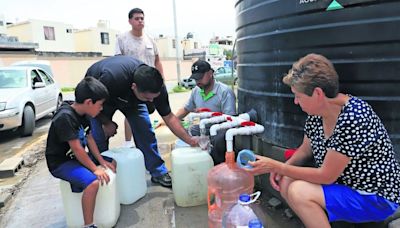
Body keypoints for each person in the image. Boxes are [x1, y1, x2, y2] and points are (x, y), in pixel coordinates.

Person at [247, 54, 400, 227]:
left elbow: (326, 176)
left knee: (298, 192)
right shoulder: (317, 114)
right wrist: (285, 169)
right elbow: (305, 151)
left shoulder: (353, 117)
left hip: (374, 195)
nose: (296, 102)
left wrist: (277, 166)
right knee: (286, 182)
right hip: (345, 185)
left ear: (318, 93)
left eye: (298, 96)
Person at [85, 55, 198, 188]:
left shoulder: (157, 87)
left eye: (153, 98)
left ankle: (158, 172)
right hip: (102, 98)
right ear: (134, 87)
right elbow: (90, 104)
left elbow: (170, 118)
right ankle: (103, 175)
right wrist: (106, 122)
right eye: (147, 98)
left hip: (131, 100)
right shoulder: (111, 78)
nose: (151, 102)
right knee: (99, 137)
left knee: (145, 132)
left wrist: (190, 140)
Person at [45, 77, 116, 228]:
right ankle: (88, 225)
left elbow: (90, 139)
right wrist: (95, 168)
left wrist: (102, 162)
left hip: (75, 158)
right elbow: (77, 149)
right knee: (93, 183)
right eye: (100, 104)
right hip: (61, 163)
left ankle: (108, 202)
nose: (101, 108)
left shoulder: (85, 114)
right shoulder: (65, 117)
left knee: (111, 162)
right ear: (89, 102)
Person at [115, 7, 164, 148]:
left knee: (147, 111)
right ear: (130, 21)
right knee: (130, 112)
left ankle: (145, 142)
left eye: (142, 18)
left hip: (150, 82)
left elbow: (157, 61)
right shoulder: (122, 39)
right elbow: (118, 61)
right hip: (132, 83)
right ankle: (128, 143)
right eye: (136, 18)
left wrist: (161, 79)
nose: (140, 21)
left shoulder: (150, 40)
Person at [173, 60, 236, 135]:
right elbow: (186, 109)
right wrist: (172, 120)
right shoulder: (196, 90)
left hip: (220, 130)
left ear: (210, 73)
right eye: (196, 79)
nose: (198, 81)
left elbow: (230, 120)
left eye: (200, 77)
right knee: (184, 132)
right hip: (203, 127)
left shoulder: (225, 92)